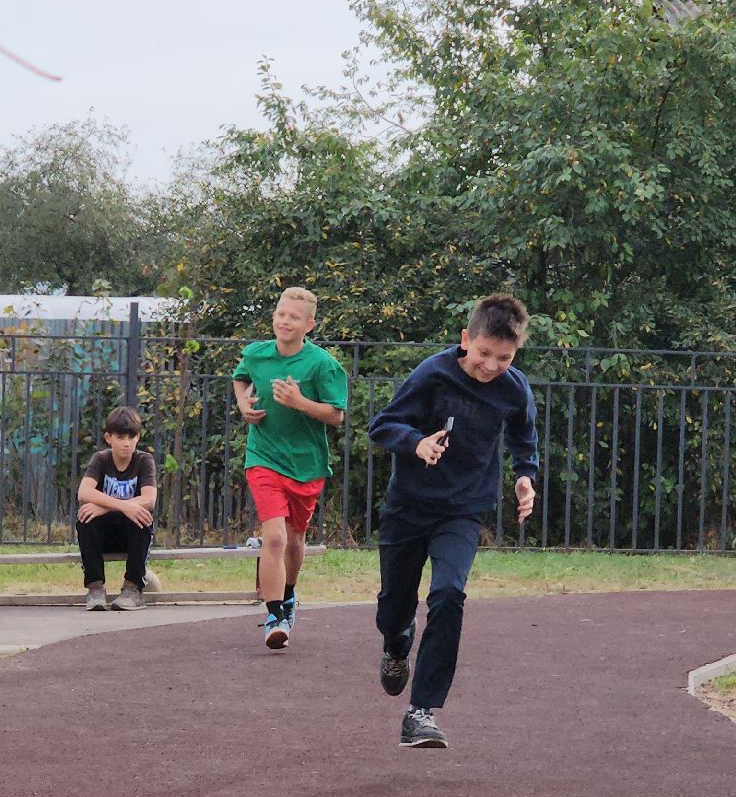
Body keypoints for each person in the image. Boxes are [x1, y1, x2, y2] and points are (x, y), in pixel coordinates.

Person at [367, 293, 539, 749]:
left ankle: (420, 711)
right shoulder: (433, 373)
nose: (490, 366)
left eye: (504, 358)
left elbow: (525, 436)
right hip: (407, 507)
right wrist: (415, 443)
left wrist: (526, 477)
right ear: (466, 340)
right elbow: (382, 424)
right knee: (394, 607)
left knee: (447, 594)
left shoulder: (514, 387)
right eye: (484, 354)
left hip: (462, 510)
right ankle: (396, 642)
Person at [230, 287, 348, 648]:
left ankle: (290, 593)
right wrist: (242, 404)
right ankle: (274, 614)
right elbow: (240, 377)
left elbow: (336, 414)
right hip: (263, 456)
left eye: (294, 317)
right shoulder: (256, 354)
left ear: (309, 324)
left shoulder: (323, 364)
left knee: (295, 539)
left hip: (306, 464)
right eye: (281, 314)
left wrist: (299, 402)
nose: (285, 321)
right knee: (275, 537)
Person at [76, 406, 157, 611]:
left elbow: (149, 499)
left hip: (131, 536)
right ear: (108, 437)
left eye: (132, 437)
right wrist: (120, 506)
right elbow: (84, 493)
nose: (127, 443)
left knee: (140, 516)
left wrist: (105, 506)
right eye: (121, 437)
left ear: (138, 438)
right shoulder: (101, 459)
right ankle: (95, 589)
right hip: (104, 536)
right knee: (86, 518)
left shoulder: (144, 460)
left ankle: (133, 589)